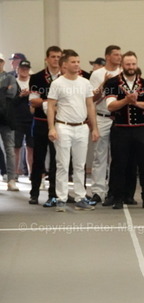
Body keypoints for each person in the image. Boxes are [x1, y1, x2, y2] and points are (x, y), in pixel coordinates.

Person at [46, 50, 99, 212]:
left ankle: (80, 197)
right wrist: (51, 127)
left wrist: (94, 128)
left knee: (80, 165)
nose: (76, 64)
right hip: (63, 126)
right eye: (73, 62)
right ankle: (61, 199)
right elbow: (50, 106)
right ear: (64, 64)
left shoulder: (85, 83)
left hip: (82, 127)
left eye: (78, 61)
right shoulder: (57, 83)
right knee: (62, 164)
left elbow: (90, 105)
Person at [104, 51, 144, 209]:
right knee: (119, 165)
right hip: (121, 130)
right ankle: (118, 198)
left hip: (142, 129)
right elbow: (110, 105)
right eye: (128, 64)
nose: (131, 67)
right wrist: (126, 100)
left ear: (137, 64)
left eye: (133, 64)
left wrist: (136, 103)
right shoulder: (112, 83)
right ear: (122, 65)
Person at [28, 46, 62, 206]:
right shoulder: (37, 78)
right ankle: (34, 192)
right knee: (38, 158)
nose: (56, 59)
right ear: (46, 59)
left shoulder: (65, 77)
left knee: (57, 159)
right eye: (53, 56)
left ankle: (53, 193)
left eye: (58, 57)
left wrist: (45, 101)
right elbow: (33, 101)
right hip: (41, 122)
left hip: (59, 123)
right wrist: (51, 102)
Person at [89, 45, 122, 204]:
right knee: (99, 156)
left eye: (120, 54)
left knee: (118, 156)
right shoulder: (97, 74)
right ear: (107, 56)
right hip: (102, 116)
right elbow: (92, 98)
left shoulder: (123, 73)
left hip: (119, 117)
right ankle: (97, 191)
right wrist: (104, 83)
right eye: (116, 54)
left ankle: (114, 191)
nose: (119, 57)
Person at [0, 52, 19, 191]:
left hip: (6, 118)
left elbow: (11, 94)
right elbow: (5, 93)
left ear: (3, 62)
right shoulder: (7, 81)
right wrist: (3, 90)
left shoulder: (10, 77)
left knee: (10, 149)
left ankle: (12, 179)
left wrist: (5, 91)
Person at [13, 59, 34, 181]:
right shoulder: (14, 82)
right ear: (18, 70)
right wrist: (20, 96)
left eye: (26, 69)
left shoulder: (33, 82)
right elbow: (9, 102)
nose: (24, 71)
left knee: (31, 147)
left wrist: (30, 94)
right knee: (16, 147)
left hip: (31, 119)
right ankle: (15, 172)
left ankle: (31, 172)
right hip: (17, 119)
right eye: (22, 69)